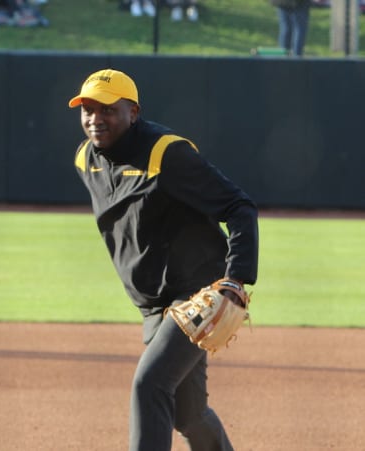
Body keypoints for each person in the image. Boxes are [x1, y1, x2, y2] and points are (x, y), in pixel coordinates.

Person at [68, 68, 258, 451]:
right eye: (87, 108)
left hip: (196, 293)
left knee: (150, 383)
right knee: (188, 413)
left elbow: (239, 207)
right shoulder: (86, 159)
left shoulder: (166, 153)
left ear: (133, 112)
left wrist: (236, 280)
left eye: (107, 109)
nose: (95, 118)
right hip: (152, 303)